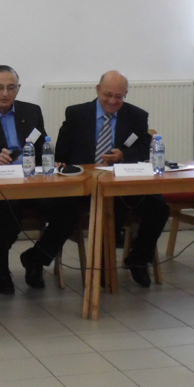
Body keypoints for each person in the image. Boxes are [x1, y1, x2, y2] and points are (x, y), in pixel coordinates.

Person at [19, 71, 167, 289]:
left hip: (120, 185)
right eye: (108, 95)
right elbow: (62, 153)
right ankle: (36, 258)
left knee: (159, 208)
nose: (112, 101)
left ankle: (137, 260)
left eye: (119, 96)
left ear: (126, 94)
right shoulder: (77, 114)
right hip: (83, 186)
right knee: (65, 215)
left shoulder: (136, 116)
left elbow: (144, 148)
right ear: (98, 90)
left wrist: (124, 155)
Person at [0, 65, 58, 293]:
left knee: (65, 210)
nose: (5, 93)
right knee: (8, 212)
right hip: (1, 183)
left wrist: (52, 161)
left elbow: (42, 145)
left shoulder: (32, 111)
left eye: (10, 87)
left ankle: (36, 258)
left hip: (32, 182)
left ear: (18, 88)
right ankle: (1, 267)